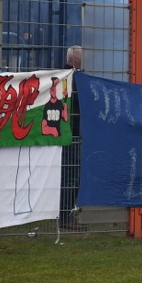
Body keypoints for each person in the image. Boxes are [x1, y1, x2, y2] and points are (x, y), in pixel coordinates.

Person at [61, 45, 86, 231]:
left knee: (67, 174)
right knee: (71, 175)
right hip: (72, 132)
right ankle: (65, 216)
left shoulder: (61, 76)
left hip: (62, 131)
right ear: (78, 61)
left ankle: (64, 213)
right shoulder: (76, 79)